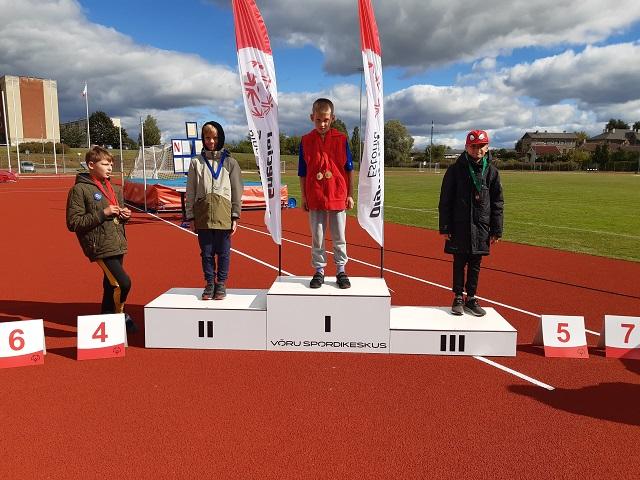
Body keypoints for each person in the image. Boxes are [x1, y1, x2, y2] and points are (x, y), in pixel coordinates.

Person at [66, 146, 137, 332]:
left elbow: (117, 216)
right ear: (91, 165)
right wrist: (103, 213)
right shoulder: (79, 190)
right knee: (122, 283)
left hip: (117, 242)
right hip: (99, 245)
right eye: (105, 164)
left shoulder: (114, 189)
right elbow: (73, 223)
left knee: (110, 284)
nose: (110, 168)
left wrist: (125, 215)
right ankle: (120, 317)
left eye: (111, 164)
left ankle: (106, 318)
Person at [438, 129, 504, 316]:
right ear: (466, 147)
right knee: (459, 262)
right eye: (473, 146)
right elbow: (445, 200)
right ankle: (458, 297)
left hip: (481, 226)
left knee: (475, 263)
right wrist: (445, 226)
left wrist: (496, 229)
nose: (477, 150)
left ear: (487, 147)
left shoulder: (492, 172)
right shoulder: (455, 170)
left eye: (481, 146)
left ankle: (472, 298)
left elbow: (498, 203)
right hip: (459, 225)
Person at [299, 98, 354, 289]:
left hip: (337, 193)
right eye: (318, 120)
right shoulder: (306, 141)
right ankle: (319, 270)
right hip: (315, 194)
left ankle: (341, 270)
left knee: (339, 235)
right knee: (318, 236)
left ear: (333, 118)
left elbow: (349, 169)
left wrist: (350, 194)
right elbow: (302, 172)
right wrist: (304, 196)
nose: (322, 124)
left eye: (326, 120)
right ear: (312, 117)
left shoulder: (342, 139)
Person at [186, 121, 243, 300]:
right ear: (203, 138)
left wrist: (235, 215)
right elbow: (190, 191)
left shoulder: (230, 162)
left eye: (215, 137)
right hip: (203, 215)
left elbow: (237, 190)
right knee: (206, 253)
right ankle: (210, 283)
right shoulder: (196, 162)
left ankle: (221, 284)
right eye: (207, 137)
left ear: (221, 138)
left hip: (224, 214)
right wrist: (191, 216)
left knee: (224, 253)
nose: (211, 141)